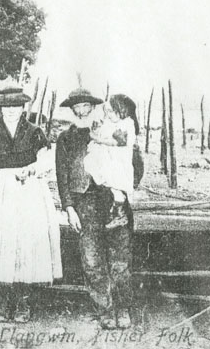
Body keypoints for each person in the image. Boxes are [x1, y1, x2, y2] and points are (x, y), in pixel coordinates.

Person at [0, 87, 62, 323]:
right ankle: (2, 301)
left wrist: (32, 168)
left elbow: (45, 160)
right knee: (0, 241)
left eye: (16, 107)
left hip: (28, 190)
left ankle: (22, 302)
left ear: (23, 109)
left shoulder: (34, 132)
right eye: (6, 108)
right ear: (0, 109)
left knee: (26, 241)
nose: (11, 112)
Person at [55, 87, 134, 330]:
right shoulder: (65, 138)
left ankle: (123, 308)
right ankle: (105, 309)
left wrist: (122, 190)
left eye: (85, 105)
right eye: (76, 106)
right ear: (72, 110)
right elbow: (62, 174)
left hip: (113, 201)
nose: (81, 110)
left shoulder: (111, 130)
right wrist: (69, 207)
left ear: (93, 106)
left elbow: (134, 161)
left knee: (120, 259)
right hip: (84, 204)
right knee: (91, 260)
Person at [84, 94, 139, 229]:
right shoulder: (110, 122)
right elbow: (104, 132)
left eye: (110, 111)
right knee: (108, 181)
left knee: (116, 184)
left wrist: (99, 140)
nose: (107, 114)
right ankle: (117, 212)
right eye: (106, 111)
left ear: (121, 110)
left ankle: (120, 215)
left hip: (118, 161)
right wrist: (98, 131)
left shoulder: (127, 124)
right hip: (108, 159)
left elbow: (118, 142)